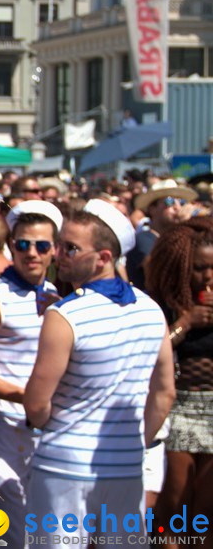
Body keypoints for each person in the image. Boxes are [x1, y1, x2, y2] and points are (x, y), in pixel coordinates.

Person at [24, 200, 176, 544]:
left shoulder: (65, 315)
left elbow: (36, 403)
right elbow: (165, 393)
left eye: (71, 248)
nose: (58, 253)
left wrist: (61, 426)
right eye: (60, 244)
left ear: (104, 257)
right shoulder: (151, 310)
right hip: (125, 467)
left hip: (63, 464)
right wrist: (134, 441)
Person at [0, 200, 62, 549]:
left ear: (55, 250)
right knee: (3, 535)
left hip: (39, 430)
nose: (31, 253)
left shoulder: (54, 295)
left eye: (41, 245)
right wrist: (25, 397)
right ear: (11, 246)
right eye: (22, 244)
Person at [145, 218, 213, 539]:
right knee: (175, 506)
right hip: (178, 410)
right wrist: (185, 323)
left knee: (206, 508)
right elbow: (149, 352)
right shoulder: (164, 305)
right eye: (200, 267)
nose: (208, 275)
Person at [126, 179, 198, 288]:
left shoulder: (177, 236)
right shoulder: (143, 239)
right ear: (152, 209)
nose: (177, 207)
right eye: (169, 201)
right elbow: (162, 273)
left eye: (181, 202)